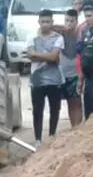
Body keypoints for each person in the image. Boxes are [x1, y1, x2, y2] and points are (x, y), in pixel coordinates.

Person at [24, 10, 66, 143]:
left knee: (55, 109)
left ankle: (52, 136)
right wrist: (48, 57)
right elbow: (32, 55)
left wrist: (36, 55)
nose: (45, 24)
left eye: (48, 21)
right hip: (37, 80)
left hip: (54, 80)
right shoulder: (31, 37)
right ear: (39, 22)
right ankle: (38, 139)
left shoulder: (59, 38)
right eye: (43, 22)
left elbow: (54, 57)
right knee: (37, 110)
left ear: (52, 22)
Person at [56, 8, 84, 127]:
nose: (69, 23)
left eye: (71, 21)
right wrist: (63, 28)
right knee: (68, 103)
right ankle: (73, 127)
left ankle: (77, 127)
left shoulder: (80, 33)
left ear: (76, 22)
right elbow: (49, 27)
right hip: (63, 74)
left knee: (76, 102)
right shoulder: (61, 33)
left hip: (76, 74)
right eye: (67, 20)